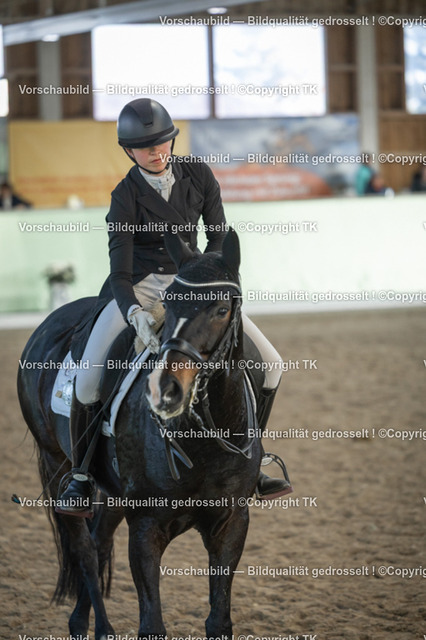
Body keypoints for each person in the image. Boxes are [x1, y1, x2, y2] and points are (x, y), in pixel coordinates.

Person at [57, 98, 292, 516]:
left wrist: (207, 277)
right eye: (145, 147)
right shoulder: (124, 196)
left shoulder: (198, 174)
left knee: (272, 364)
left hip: (193, 284)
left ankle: (252, 460)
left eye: (162, 142)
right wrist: (133, 313)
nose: (156, 151)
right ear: (129, 151)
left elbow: (218, 236)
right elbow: (119, 274)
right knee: (89, 379)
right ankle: (80, 477)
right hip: (141, 288)